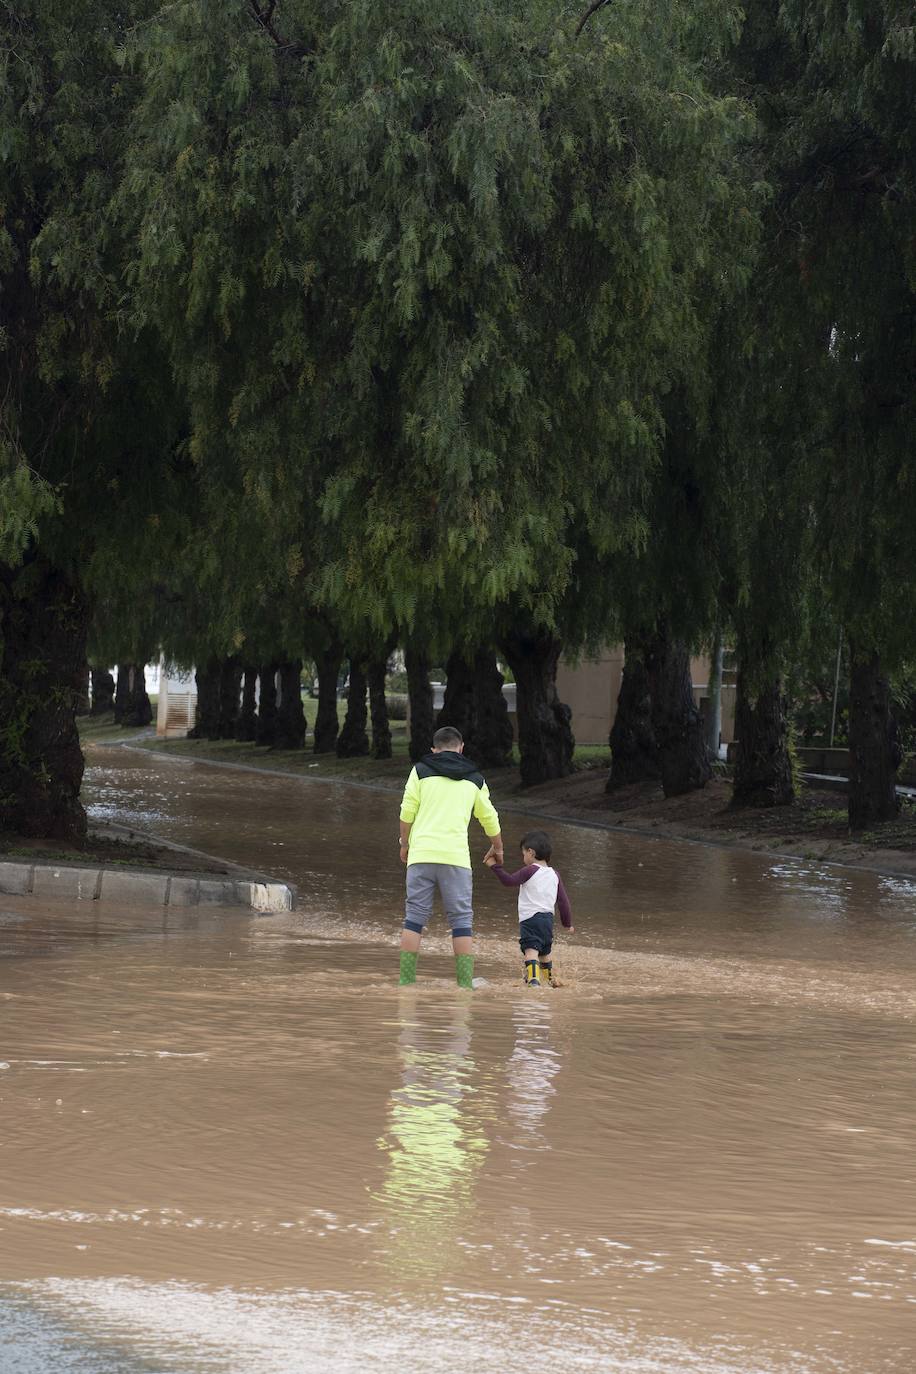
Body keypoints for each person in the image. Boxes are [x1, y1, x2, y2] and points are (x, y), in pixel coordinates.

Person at [398, 725, 503, 988]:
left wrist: (405, 843)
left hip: (421, 854)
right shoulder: (474, 777)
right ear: (461, 748)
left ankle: (406, 982)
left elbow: (406, 811)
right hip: (456, 858)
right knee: (461, 920)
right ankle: (465, 985)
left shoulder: (420, 771)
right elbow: (489, 816)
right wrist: (497, 847)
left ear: (434, 750)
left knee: (414, 918)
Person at [484, 829, 573, 986]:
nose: (523, 857)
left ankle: (533, 981)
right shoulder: (555, 874)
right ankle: (551, 980)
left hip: (531, 919)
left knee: (531, 950)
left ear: (531, 852)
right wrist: (567, 923)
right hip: (547, 920)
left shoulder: (530, 870)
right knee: (544, 952)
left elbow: (509, 881)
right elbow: (563, 901)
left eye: (523, 853)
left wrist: (494, 866)